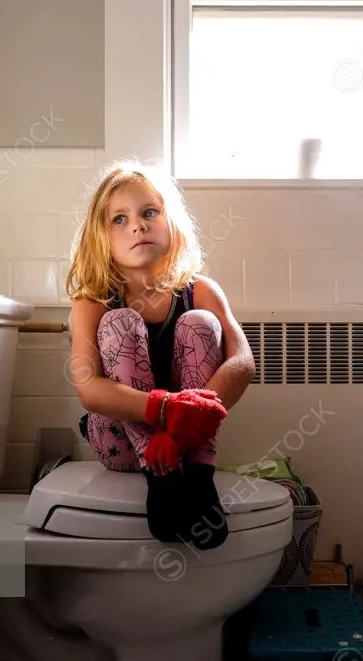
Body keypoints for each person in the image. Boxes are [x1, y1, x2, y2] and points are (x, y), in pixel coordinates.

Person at [66, 160, 255, 550]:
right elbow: (88, 389)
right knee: (120, 322)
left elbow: (243, 362)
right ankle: (161, 480)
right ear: (101, 237)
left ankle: (199, 479)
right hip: (120, 440)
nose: (137, 225)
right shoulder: (93, 301)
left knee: (200, 322)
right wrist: (165, 409)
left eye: (149, 212)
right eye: (120, 219)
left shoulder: (200, 290)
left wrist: (179, 428)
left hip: (189, 440)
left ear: (172, 223)